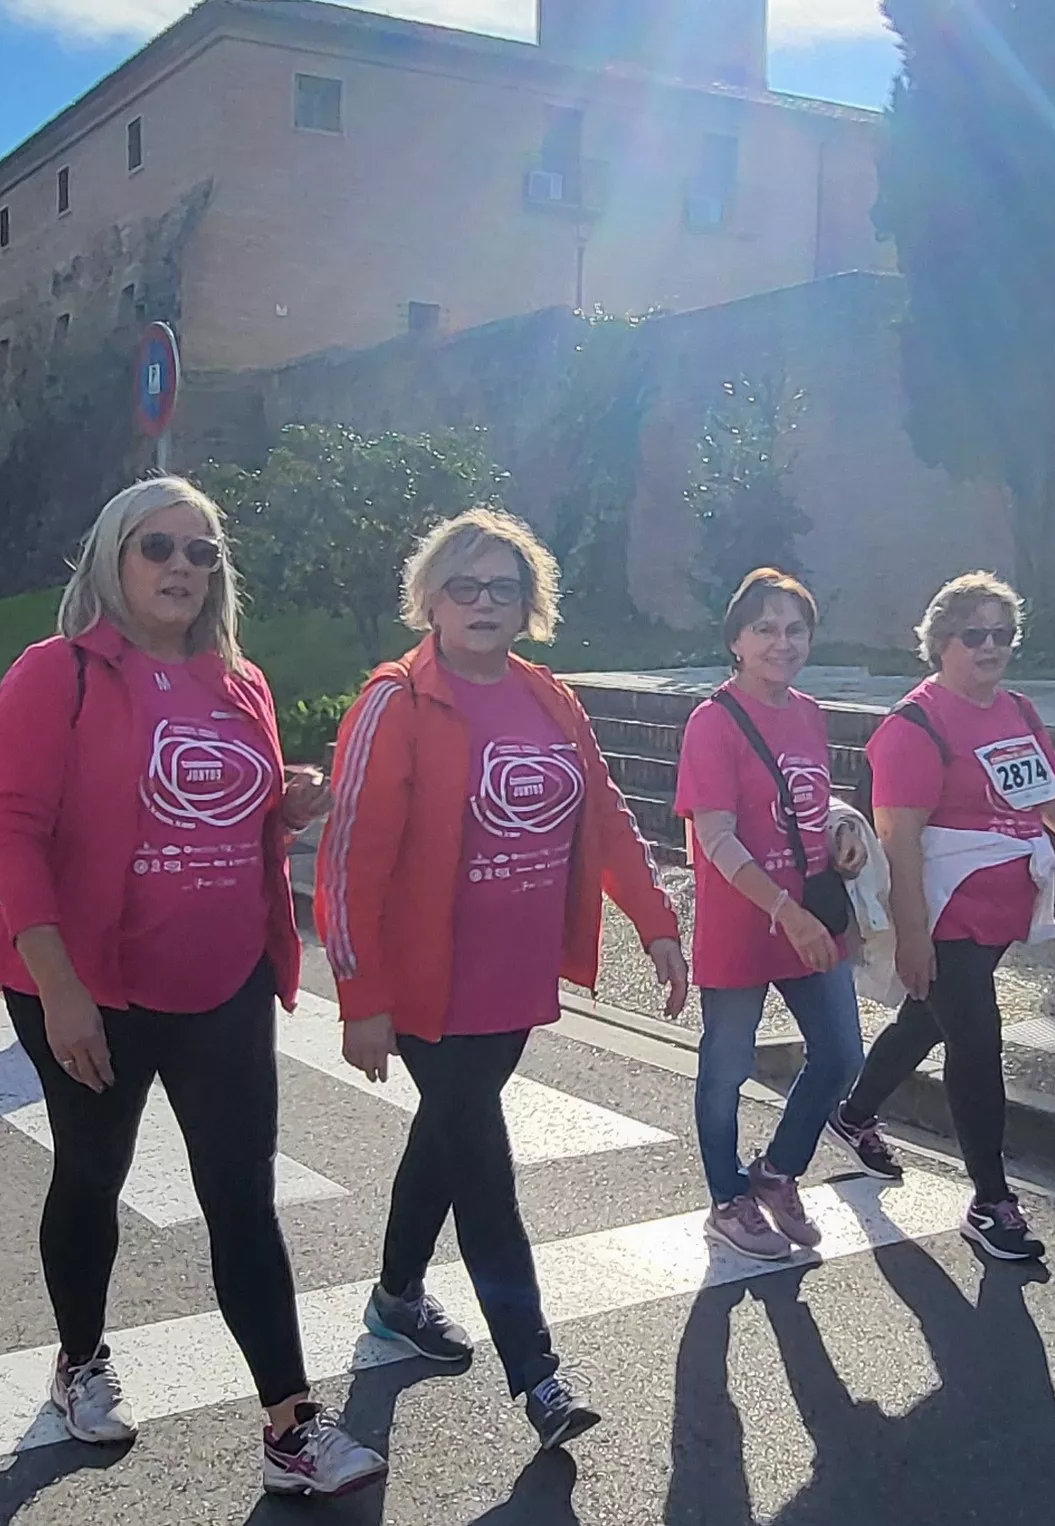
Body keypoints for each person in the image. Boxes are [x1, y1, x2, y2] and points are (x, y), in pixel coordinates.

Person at [0, 477, 381, 1499]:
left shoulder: (237, 682)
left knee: (241, 1195)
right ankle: (80, 1359)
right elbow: (8, 828)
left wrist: (284, 803)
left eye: (201, 552)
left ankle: (291, 1424)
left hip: (219, 976)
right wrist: (58, 988)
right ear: (114, 557)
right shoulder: (50, 673)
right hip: (90, 980)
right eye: (159, 547)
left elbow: (223, 812)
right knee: (92, 1174)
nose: (182, 568)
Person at [317, 507, 686, 1454]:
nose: (484, 603)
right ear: (430, 599)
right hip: (430, 986)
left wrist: (656, 925)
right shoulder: (396, 701)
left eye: (504, 588)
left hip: (517, 978)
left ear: (530, 605)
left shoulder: (550, 699)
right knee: (482, 1160)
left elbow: (603, 818)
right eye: (464, 586)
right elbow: (352, 855)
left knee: (445, 1140)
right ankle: (539, 1374)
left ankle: (396, 1296)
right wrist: (361, 998)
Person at [830, 572, 1055, 1262]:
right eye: (973, 634)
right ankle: (990, 1201)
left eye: (1002, 634)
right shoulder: (912, 727)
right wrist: (913, 937)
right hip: (943, 912)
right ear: (940, 642)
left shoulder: (1017, 712)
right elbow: (900, 842)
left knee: (927, 1018)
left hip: (998, 911)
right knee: (976, 1041)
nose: (990, 647)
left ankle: (854, 1112)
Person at [677, 568, 864, 1263]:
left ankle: (777, 1171)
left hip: (811, 909)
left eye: (794, 629)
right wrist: (784, 910)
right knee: (726, 1065)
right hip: (746, 921)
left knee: (842, 1054)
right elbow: (716, 836)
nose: (780, 643)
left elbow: (805, 800)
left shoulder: (809, 713)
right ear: (736, 640)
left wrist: (841, 831)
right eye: (765, 629)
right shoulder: (713, 722)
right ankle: (728, 1199)